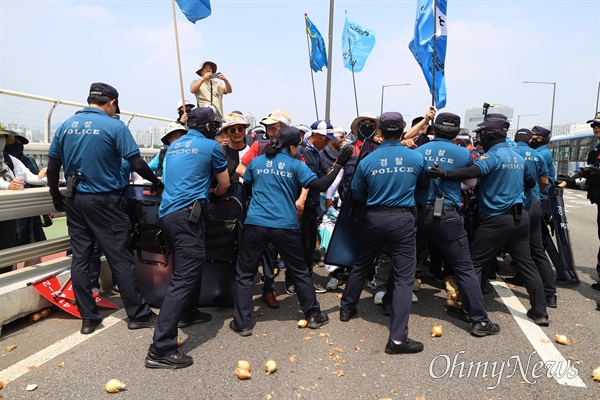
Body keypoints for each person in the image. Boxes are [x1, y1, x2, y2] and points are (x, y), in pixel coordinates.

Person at [46, 82, 162, 335]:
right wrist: (156, 182)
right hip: (106, 202)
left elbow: (53, 167)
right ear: (111, 103)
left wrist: (56, 196)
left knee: (81, 258)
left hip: (75, 200)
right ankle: (138, 315)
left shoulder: (65, 125)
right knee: (119, 257)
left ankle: (88, 318)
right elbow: (137, 163)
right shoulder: (115, 126)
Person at [427, 116, 550, 326]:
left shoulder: (493, 156)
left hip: (496, 220)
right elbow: (530, 181)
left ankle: (467, 307)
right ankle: (540, 312)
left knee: (472, 265)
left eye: (482, 132)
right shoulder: (518, 157)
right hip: (520, 219)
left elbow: (473, 172)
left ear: (492, 134)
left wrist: (445, 173)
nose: (480, 136)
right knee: (527, 264)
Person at [230, 126, 352, 336]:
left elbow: (247, 184)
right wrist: (339, 163)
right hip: (285, 224)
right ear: (293, 146)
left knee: (245, 273)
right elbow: (322, 184)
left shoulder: (257, 162)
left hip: (256, 223)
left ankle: (242, 323)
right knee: (299, 271)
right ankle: (313, 315)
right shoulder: (296, 165)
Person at [145, 106, 230, 369]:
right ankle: (161, 349)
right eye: (214, 125)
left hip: (168, 215)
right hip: (188, 218)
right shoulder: (211, 146)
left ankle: (189, 312)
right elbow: (224, 183)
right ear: (207, 127)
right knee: (184, 276)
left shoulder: (173, 147)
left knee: (188, 268)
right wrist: (212, 196)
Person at [339, 112, 428, 355]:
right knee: (403, 277)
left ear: (381, 131)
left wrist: (376, 198)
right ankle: (398, 339)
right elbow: (423, 190)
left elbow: (356, 193)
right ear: (402, 130)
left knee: (361, 263)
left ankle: (346, 308)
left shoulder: (368, 159)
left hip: (374, 217)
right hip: (402, 218)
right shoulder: (416, 157)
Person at [415, 112, 500, 336]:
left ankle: (392, 305)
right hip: (449, 213)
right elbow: (470, 182)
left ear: (434, 128)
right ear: (456, 131)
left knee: (406, 265)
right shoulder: (463, 153)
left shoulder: (420, 150)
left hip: (421, 212)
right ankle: (479, 321)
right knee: (464, 268)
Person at [513, 129, 557, 308]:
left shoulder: (512, 152)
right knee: (537, 250)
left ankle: (479, 289)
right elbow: (545, 181)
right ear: (530, 140)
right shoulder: (536, 155)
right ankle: (550, 295)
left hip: (515, 205)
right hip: (534, 203)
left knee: (490, 247)